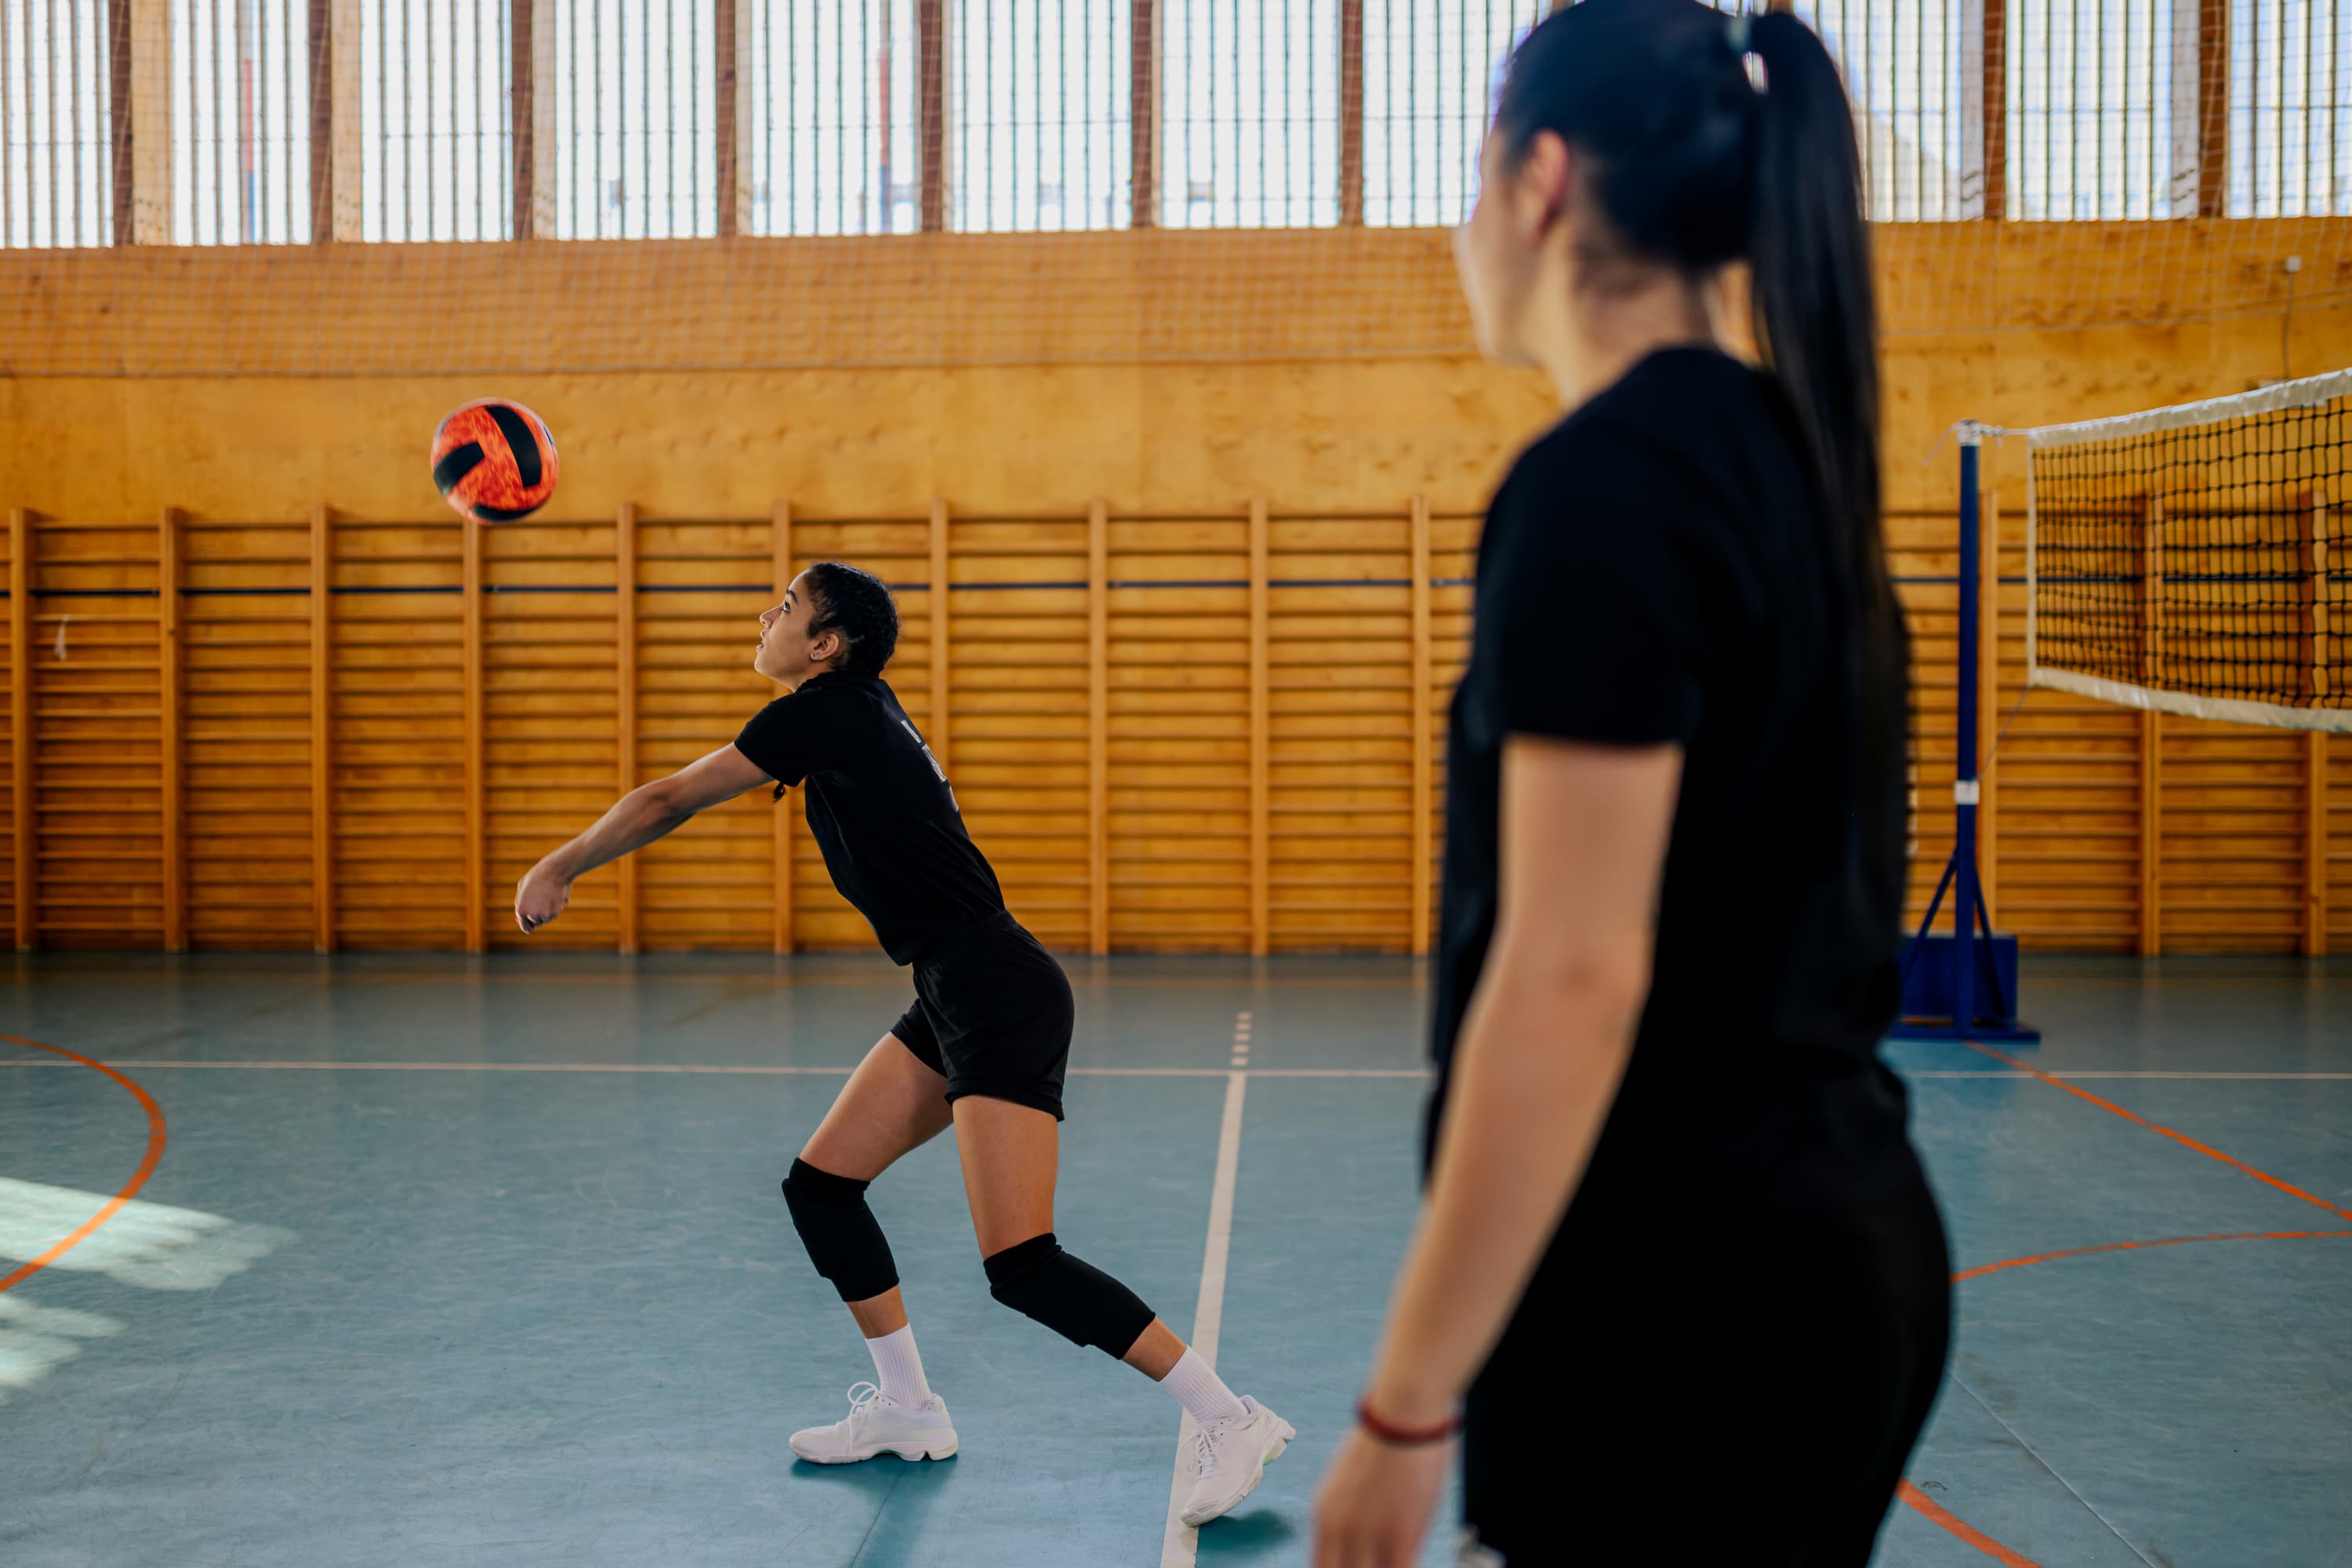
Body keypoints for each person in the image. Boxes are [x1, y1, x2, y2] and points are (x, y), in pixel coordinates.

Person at [1311, 2, 1951, 1563]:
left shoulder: (1607, 483)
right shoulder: (1791, 457)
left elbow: (1576, 971)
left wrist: (1405, 1410)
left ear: (1541, 180)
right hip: (1828, 1259)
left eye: (1468, 176)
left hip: (1683, 1313)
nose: (1459, 224)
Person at [514, 560, 1292, 1526]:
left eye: (788, 608)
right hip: (954, 983)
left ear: (827, 644)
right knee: (823, 1187)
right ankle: (909, 1407)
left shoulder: (827, 709)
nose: (769, 616)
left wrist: (563, 861)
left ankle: (1232, 1417)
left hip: (994, 991)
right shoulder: (856, 708)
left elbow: (668, 797)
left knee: (1024, 1264)